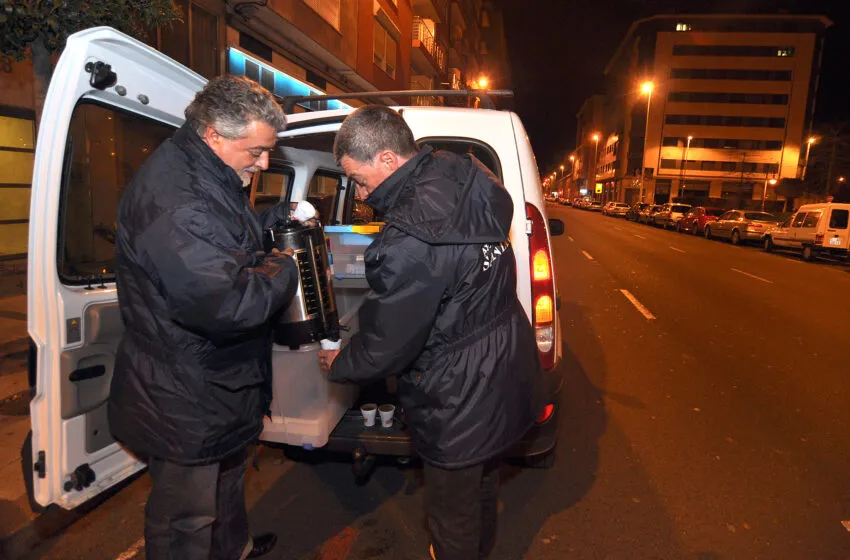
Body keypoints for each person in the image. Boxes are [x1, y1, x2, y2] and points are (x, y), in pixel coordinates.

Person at [318, 105, 546, 559]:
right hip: (502, 358)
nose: (359, 193)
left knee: (451, 512)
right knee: (481, 482)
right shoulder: (464, 174)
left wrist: (341, 362)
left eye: (359, 179)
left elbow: (388, 343)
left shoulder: (409, 240)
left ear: (387, 158)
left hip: (458, 390)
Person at [109, 75, 300, 560]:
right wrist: (286, 267)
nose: (262, 164)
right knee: (186, 518)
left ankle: (235, 549)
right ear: (214, 134)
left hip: (218, 384)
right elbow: (228, 302)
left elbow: (223, 242)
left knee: (227, 485)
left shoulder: (206, 174)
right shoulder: (177, 199)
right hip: (185, 394)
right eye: (256, 151)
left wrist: (273, 220)